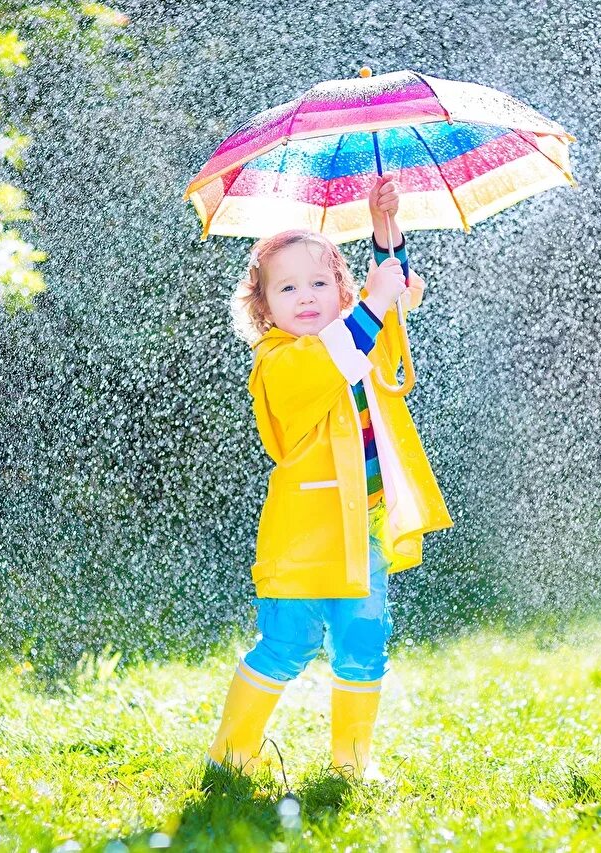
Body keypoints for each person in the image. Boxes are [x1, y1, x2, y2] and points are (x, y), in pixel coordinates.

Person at [207, 174, 454, 783]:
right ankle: (231, 756)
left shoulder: (354, 334)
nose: (307, 296)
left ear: (340, 291)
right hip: (305, 536)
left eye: (321, 283)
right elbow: (340, 356)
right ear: (264, 308)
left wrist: (383, 229)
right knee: (288, 643)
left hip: (362, 530)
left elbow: (389, 306)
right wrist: (371, 302)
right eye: (288, 288)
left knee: (365, 642)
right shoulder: (279, 361)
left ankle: (350, 765)